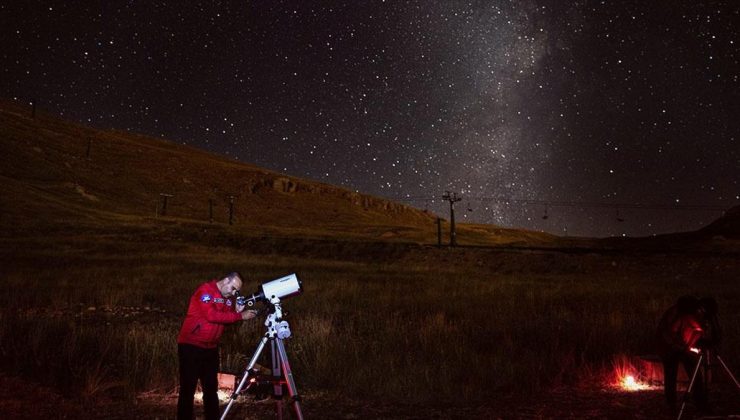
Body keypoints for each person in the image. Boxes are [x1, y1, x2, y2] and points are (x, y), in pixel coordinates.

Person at [177, 272, 258, 420]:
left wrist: (236, 311)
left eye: (236, 291)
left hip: (210, 348)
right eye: (233, 288)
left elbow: (226, 319)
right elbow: (211, 315)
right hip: (191, 346)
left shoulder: (228, 299)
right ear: (226, 280)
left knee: (211, 390)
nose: (234, 293)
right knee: (187, 389)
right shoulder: (205, 290)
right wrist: (240, 316)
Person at [655, 295, 709, 412]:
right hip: (669, 347)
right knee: (670, 373)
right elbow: (668, 335)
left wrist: (693, 342)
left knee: (695, 372)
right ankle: (671, 404)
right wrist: (682, 348)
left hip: (683, 345)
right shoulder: (673, 316)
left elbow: (698, 329)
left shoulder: (693, 312)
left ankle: (700, 401)